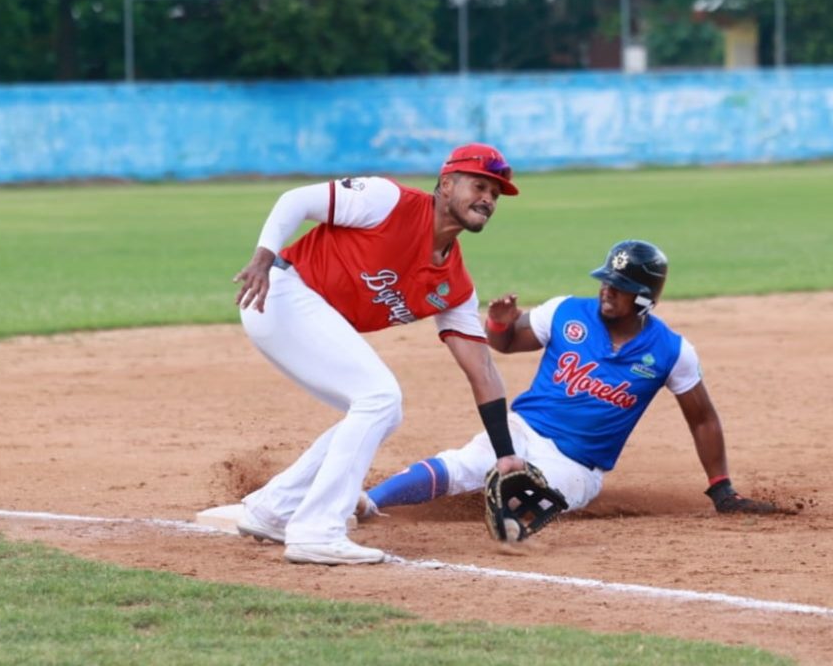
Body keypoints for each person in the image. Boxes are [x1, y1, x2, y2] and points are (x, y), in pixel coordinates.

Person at [231, 143, 530, 565]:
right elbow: (295, 200)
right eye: (479, 186)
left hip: (302, 312)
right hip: (279, 293)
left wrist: (505, 453)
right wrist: (263, 257)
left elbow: (481, 369)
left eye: (495, 194)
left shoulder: (455, 287)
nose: (488, 199)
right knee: (380, 398)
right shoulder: (387, 201)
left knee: (382, 411)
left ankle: (273, 509)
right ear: (447, 184)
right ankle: (317, 529)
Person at [361, 239, 778, 527]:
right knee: (465, 463)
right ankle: (365, 503)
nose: (607, 291)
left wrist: (721, 489)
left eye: (621, 287)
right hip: (522, 429)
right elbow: (506, 343)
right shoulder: (565, 312)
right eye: (606, 280)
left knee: (533, 495)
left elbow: (703, 419)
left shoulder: (671, 351)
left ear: (645, 297)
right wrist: (499, 324)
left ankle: (507, 517)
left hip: (578, 466)